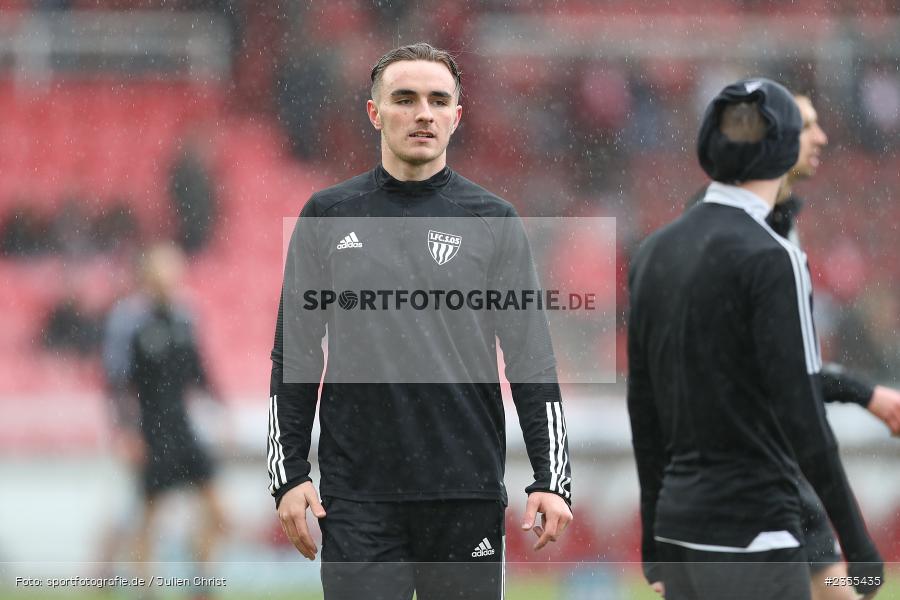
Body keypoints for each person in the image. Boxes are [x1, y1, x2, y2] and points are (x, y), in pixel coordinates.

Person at [268, 43, 573, 600]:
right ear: (374, 113)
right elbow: (295, 355)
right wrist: (288, 475)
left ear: (457, 115)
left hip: (466, 492)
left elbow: (532, 358)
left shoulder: (494, 220)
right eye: (404, 99)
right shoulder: (327, 215)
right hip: (357, 498)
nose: (422, 113)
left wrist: (551, 478)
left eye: (438, 100)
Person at [627, 78, 883, 600]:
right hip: (755, 533)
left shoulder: (654, 250)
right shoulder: (774, 256)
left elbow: (643, 405)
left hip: (681, 530)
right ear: (786, 146)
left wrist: (655, 543)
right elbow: (803, 415)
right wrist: (859, 545)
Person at [103, 242, 226, 600]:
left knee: (219, 511)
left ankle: (200, 586)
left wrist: (220, 409)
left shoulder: (186, 314)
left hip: (182, 425)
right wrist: (125, 432)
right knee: (148, 517)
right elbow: (116, 383)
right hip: (148, 428)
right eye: (163, 270)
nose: (172, 278)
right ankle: (146, 591)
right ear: (146, 276)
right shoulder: (128, 320)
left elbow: (199, 368)